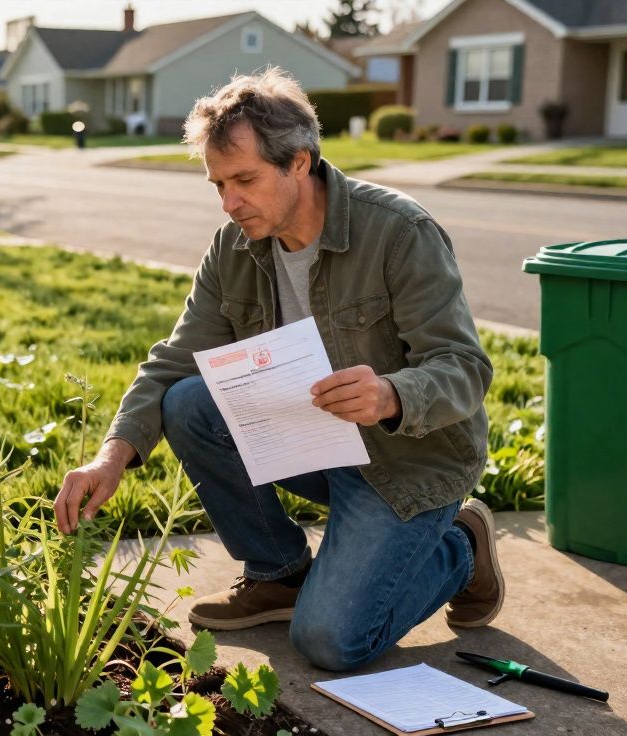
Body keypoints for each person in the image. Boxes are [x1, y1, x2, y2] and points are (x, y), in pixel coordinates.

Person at [52, 68, 502, 672]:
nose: (229, 202)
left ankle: (461, 546)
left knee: (330, 642)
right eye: (217, 184)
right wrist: (112, 456)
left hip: (407, 460)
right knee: (188, 401)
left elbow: (465, 367)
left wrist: (392, 394)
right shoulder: (232, 247)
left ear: (299, 162)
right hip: (311, 440)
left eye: (244, 180)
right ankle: (278, 573)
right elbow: (174, 360)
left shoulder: (399, 232)